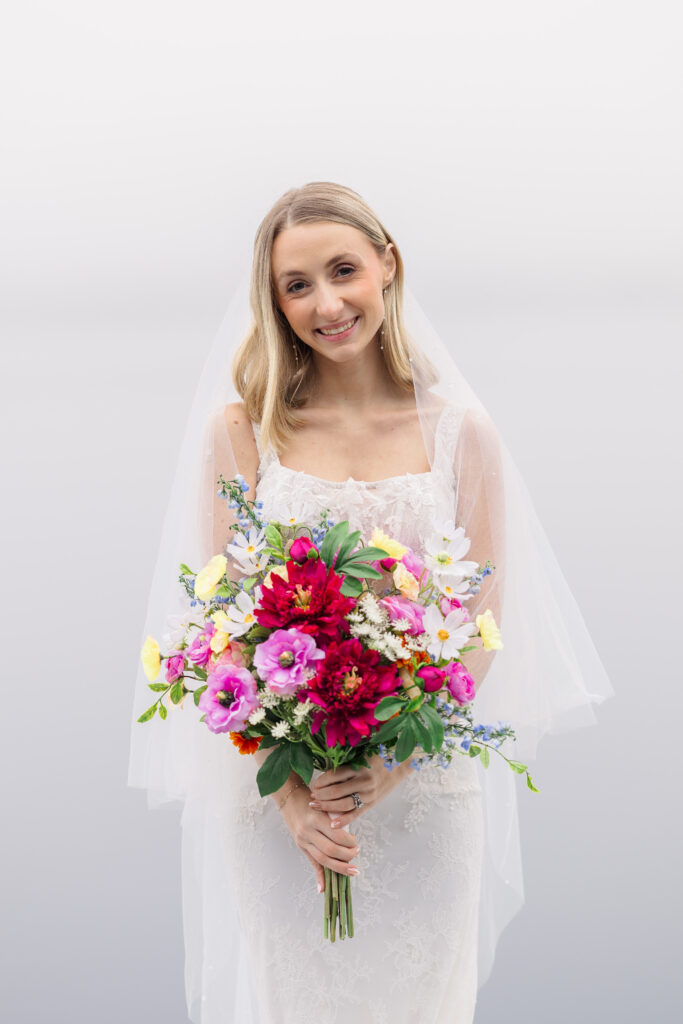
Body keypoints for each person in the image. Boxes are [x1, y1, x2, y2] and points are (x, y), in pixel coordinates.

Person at [128, 181, 613, 1023]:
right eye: (297, 285)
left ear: (386, 265)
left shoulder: (461, 433)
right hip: (283, 802)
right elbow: (225, 632)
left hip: (421, 791)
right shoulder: (243, 431)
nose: (327, 303)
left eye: (343, 270)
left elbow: (477, 628)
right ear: (274, 303)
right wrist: (291, 799)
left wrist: (387, 769)